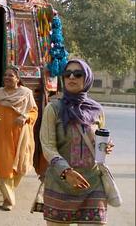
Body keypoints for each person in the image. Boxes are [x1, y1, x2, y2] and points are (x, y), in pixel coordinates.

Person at [40, 59, 114, 225]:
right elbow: (47, 146)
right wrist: (66, 172)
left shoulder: (97, 110)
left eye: (78, 74)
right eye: (67, 74)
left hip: (92, 183)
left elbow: (99, 137)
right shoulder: (53, 109)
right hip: (61, 182)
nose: (71, 77)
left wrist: (106, 145)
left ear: (86, 78)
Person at [0, 66, 38, 210]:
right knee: (4, 168)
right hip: (1, 135)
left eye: (10, 75)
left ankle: (9, 192)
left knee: (20, 168)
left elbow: (34, 112)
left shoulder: (26, 93)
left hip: (21, 137)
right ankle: (8, 199)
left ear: (18, 79)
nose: (6, 77)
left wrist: (25, 117)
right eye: (5, 75)